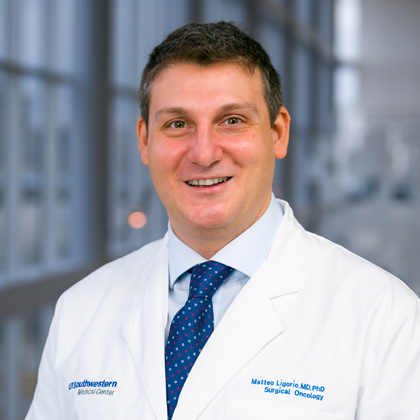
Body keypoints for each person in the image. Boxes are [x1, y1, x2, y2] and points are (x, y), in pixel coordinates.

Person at [26, 21, 420, 420]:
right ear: (145, 140)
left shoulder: (383, 317)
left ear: (278, 132)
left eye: (231, 120)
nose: (203, 153)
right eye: (177, 124)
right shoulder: (81, 309)